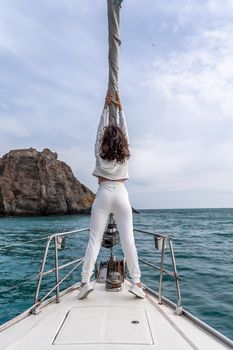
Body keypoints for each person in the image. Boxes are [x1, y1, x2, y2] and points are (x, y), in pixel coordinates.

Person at [77, 91, 145, 299]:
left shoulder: (99, 150)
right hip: (122, 195)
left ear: (105, 139)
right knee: (128, 241)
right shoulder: (125, 153)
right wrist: (120, 108)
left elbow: (100, 130)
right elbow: (125, 131)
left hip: (103, 193)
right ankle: (137, 283)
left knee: (94, 240)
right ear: (122, 141)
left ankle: (84, 283)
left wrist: (106, 108)